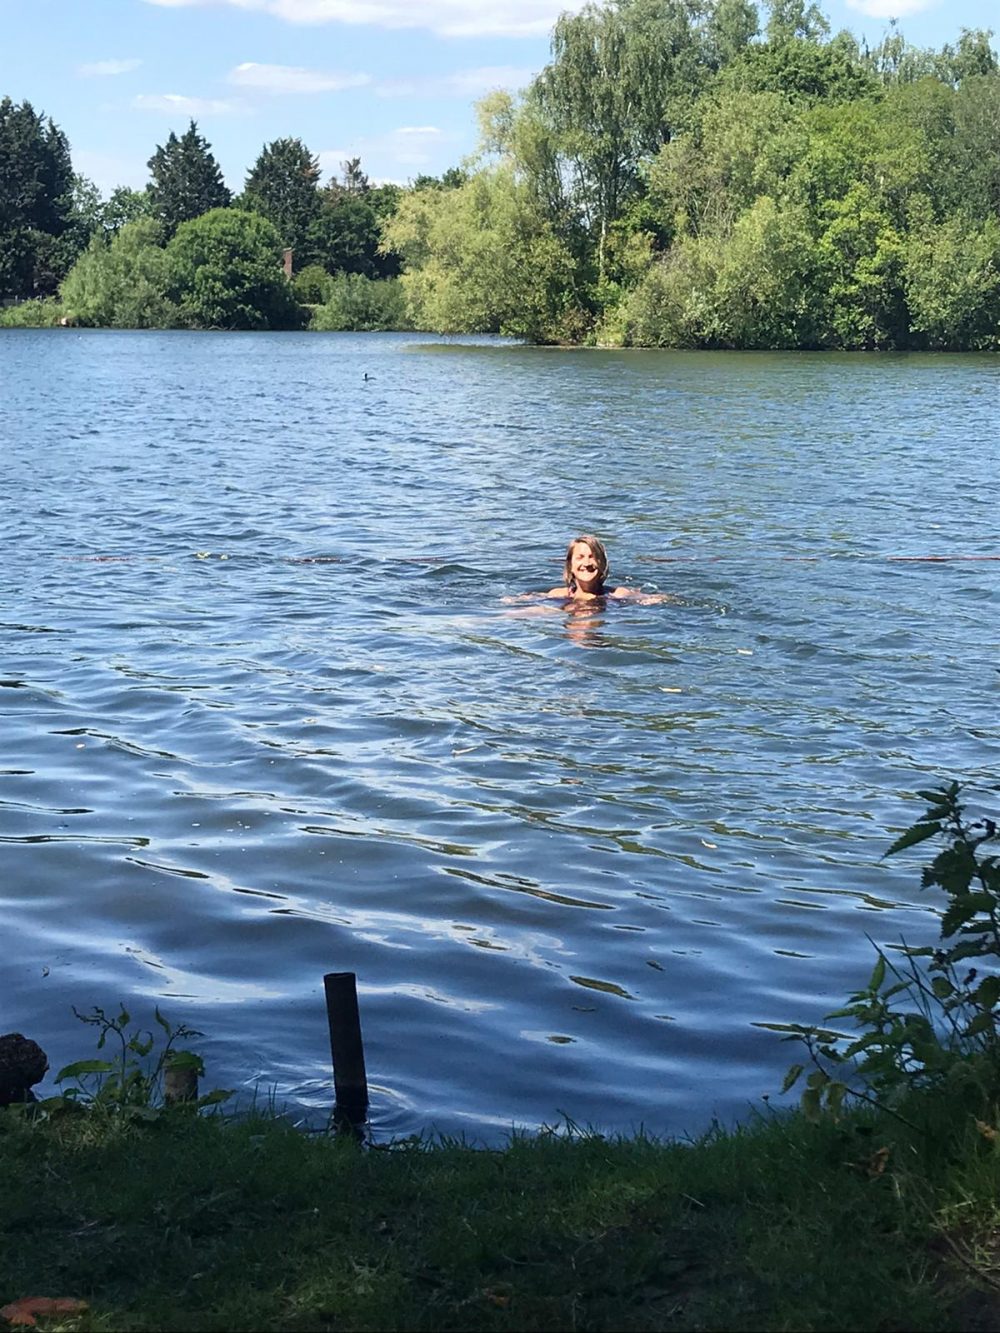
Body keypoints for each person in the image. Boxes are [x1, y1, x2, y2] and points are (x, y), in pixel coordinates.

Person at [506, 535, 666, 604]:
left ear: (602, 563)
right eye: (580, 557)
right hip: (570, 616)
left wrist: (654, 600)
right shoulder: (559, 594)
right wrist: (516, 601)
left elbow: (657, 599)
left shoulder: (617, 594)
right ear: (570, 566)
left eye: (592, 557)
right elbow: (532, 598)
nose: (587, 563)